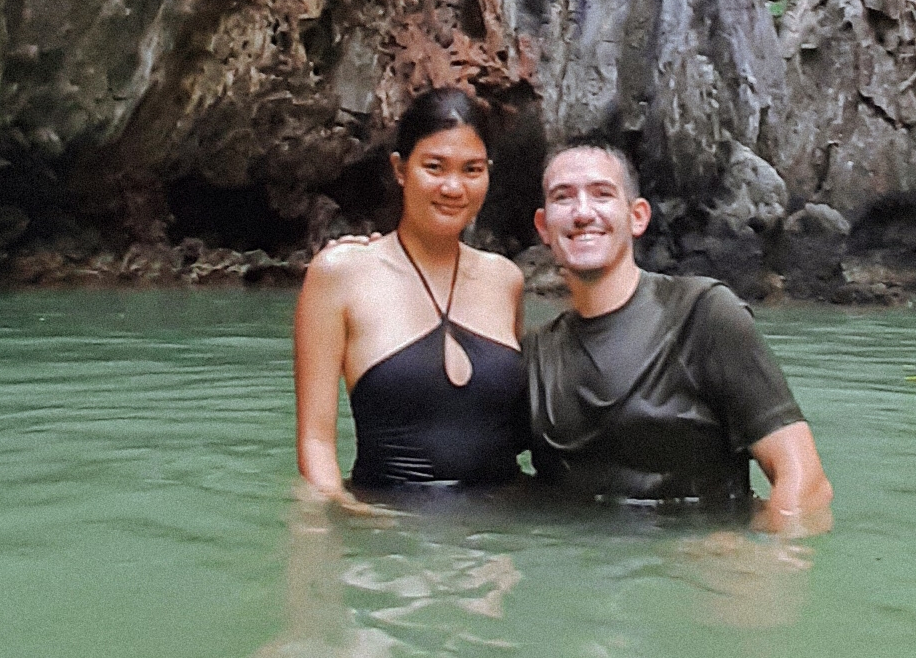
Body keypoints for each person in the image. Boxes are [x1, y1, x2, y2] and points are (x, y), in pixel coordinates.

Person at [527, 141, 833, 529]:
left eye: (602, 194)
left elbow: (806, 483)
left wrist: (758, 566)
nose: (583, 213)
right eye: (563, 198)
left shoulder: (702, 314)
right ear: (543, 227)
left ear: (637, 217)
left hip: (699, 568)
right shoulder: (537, 355)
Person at [294, 85, 529, 498]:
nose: (453, 188)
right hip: (390, 539)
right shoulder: (340, 274)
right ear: (400, 170)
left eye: (471, 170)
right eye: (435, 167)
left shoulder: (506, 280)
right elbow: (315, 445)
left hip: (501, 539)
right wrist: (346, 520)